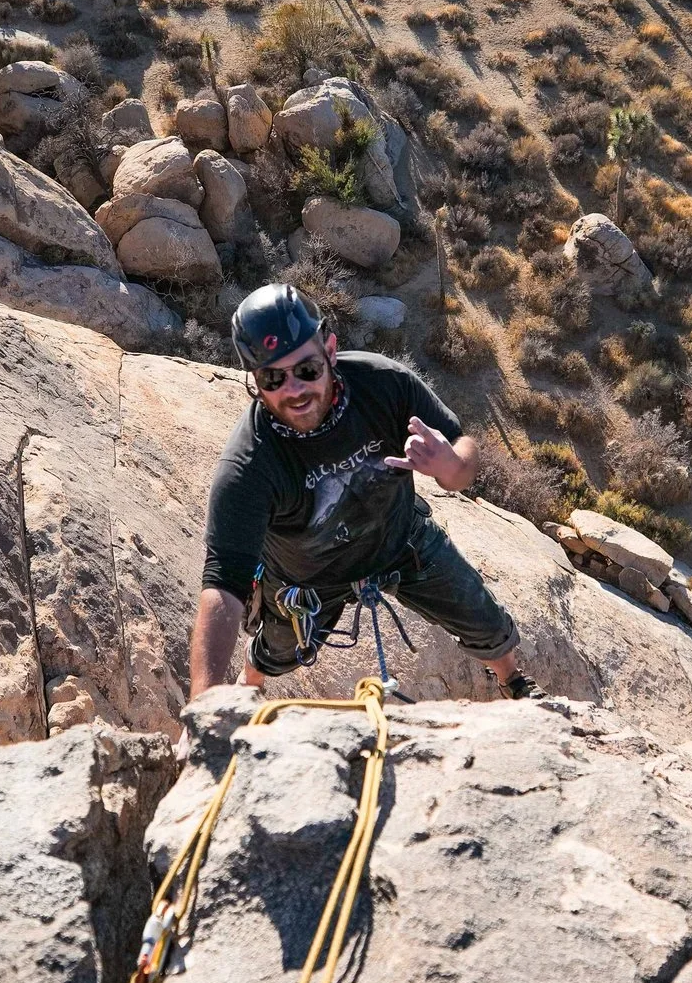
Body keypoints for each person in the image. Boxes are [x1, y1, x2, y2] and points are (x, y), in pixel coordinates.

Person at [189, 284, 539, 700]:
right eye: (273, 377)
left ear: (330, 351)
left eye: (307, 370)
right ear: (256, 380)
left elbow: (462, 452)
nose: (295, 389)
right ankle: (252, 680)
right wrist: (204, 702)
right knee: (278, 652)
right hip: (308, 578)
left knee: (483, 620)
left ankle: (513, 680)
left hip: (399, 539)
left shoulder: (384, 386)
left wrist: (451, 466)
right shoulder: (249, 464)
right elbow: (224, 582)